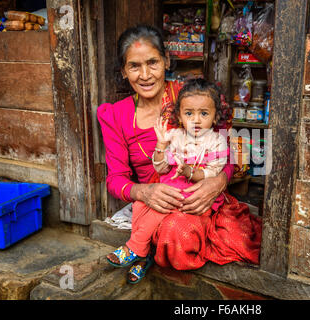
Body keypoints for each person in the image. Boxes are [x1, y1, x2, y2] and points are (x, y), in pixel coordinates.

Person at [97, 24, 261, 284]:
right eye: (134, 66)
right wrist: (144, 192)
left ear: (166, 61)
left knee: (176, 231)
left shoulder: (191, 98)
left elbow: (227, 154)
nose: (145, 74)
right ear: (124, 72)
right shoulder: (115, 115)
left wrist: (217, 183)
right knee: (156, 219)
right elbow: (115, 180)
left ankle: (145, 252)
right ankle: (145, 250)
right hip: (157, 199)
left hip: (197, 196)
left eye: (153, 63)